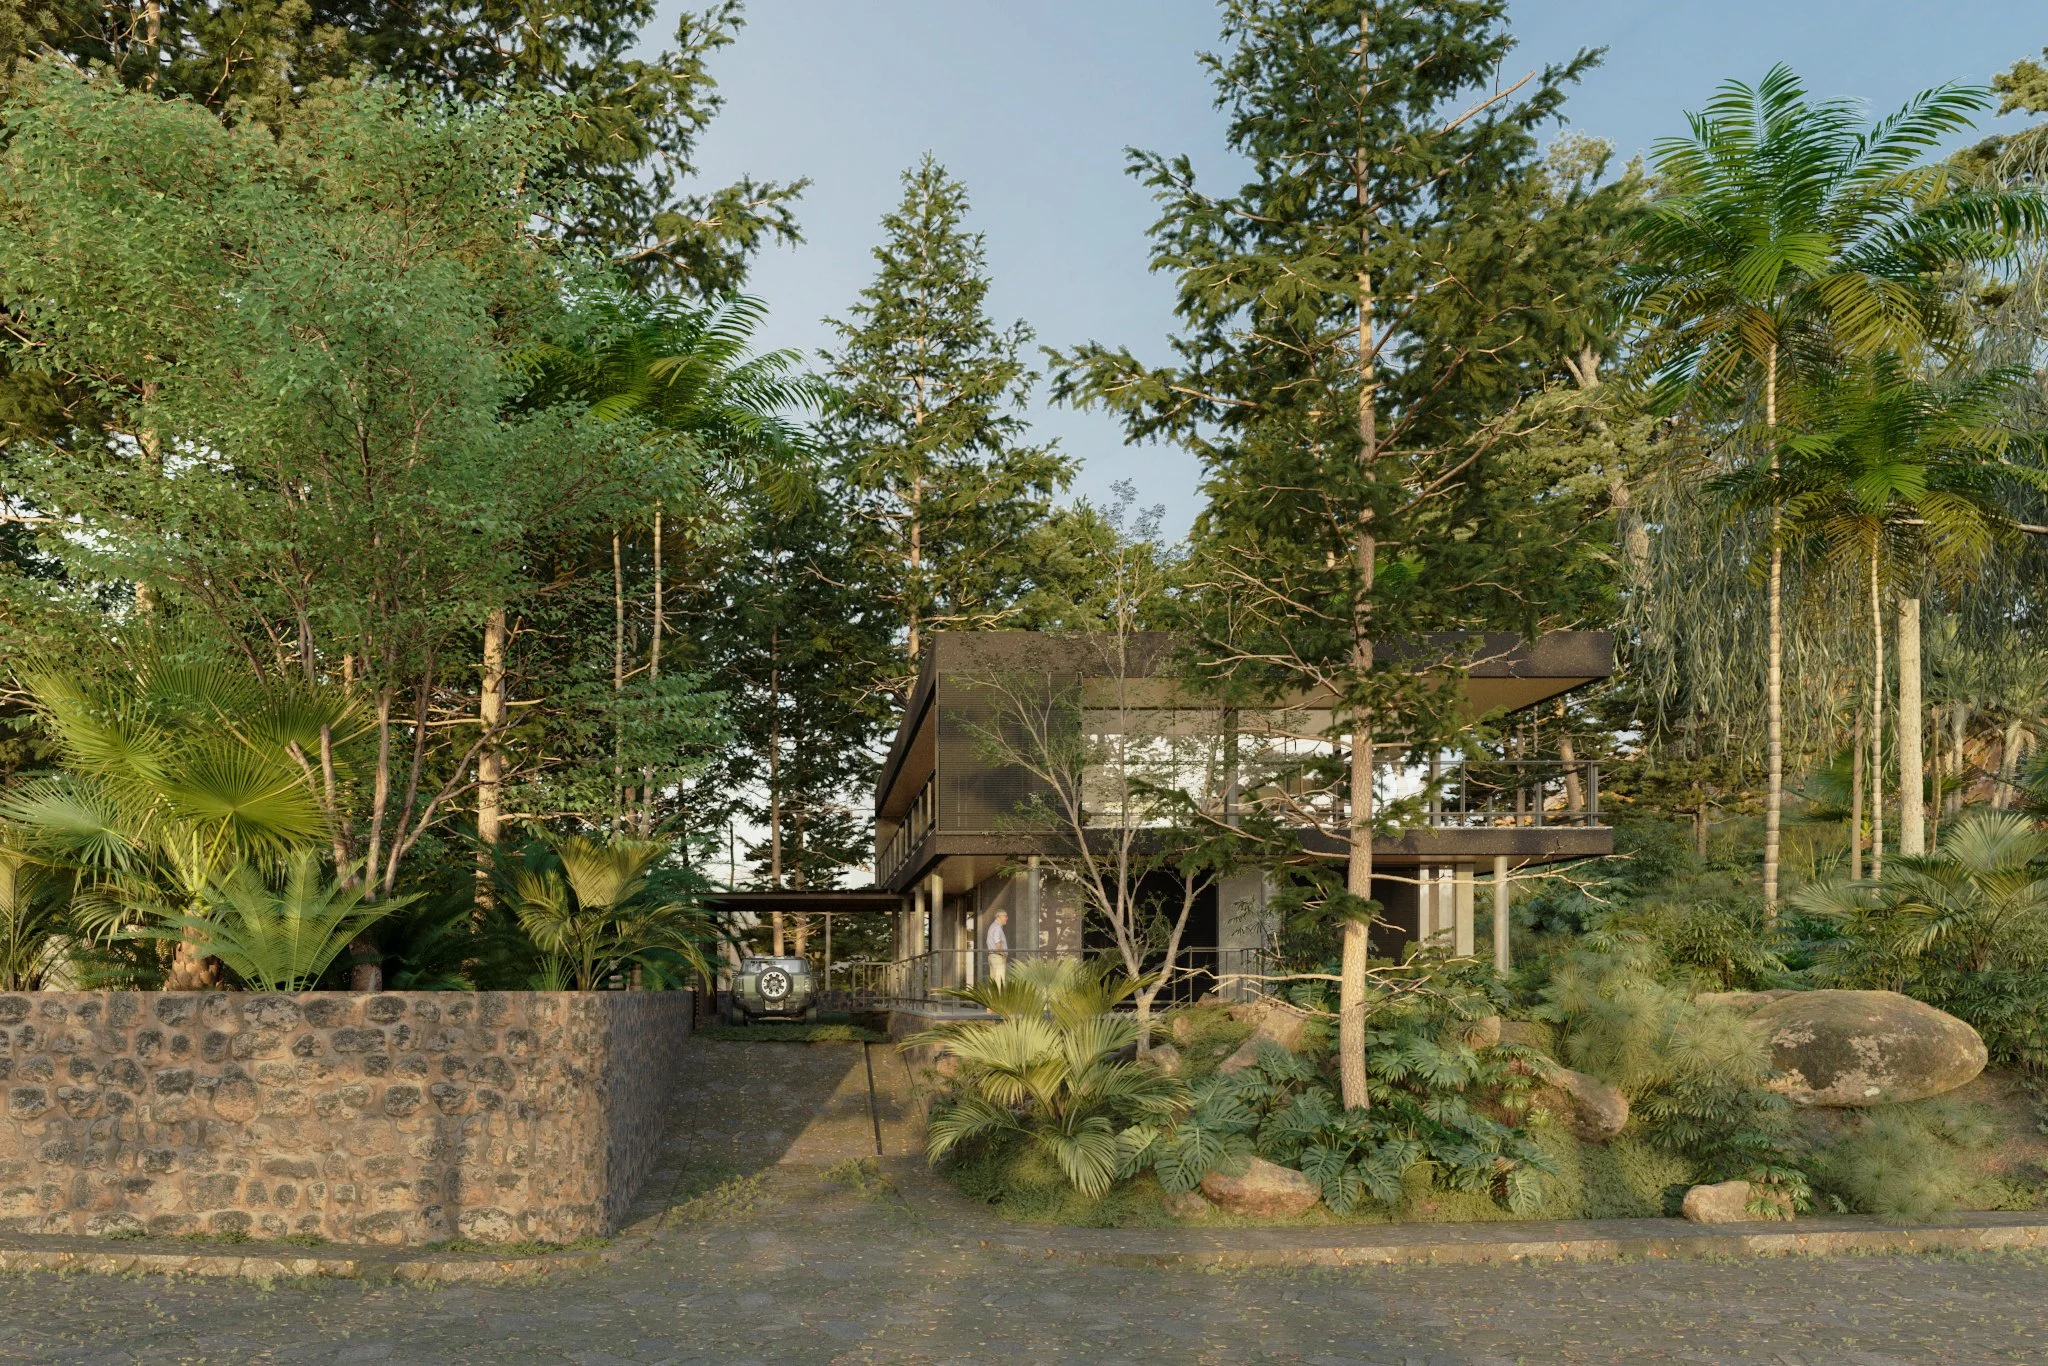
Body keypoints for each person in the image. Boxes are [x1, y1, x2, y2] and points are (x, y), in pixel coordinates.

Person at [985, 910, 1009, 984]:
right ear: (999, 917)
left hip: (992, 956)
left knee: (993, 982)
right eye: (1005, 916)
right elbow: (997, 941)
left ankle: (991, 996)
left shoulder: (993, 926)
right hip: (997, 957)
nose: (1007, 918)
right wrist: (1002, 953)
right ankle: (999, 996)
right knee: (999, 982)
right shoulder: (997, 927)